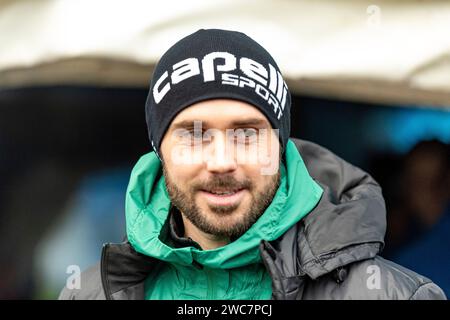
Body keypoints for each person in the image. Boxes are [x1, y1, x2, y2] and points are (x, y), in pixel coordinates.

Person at [59, 29, 446, 300]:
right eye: (194, 135)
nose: (222, 161)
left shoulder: (393, 295)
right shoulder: (88, 294)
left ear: (280, 147)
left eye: (246, 134)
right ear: (160, 151)